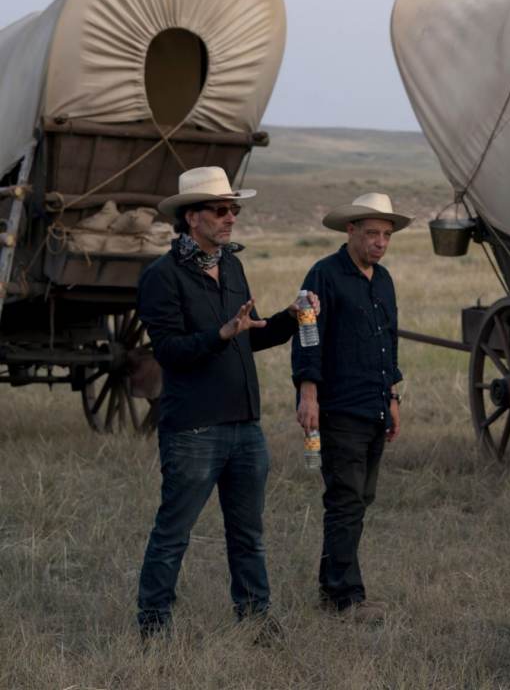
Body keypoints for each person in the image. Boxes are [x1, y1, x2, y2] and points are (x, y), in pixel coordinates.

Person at [136, 166, 318, 640]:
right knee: (173, 534)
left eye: (234, 209)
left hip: (244, 426)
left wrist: (292, 319)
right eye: (221, 210)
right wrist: (221, 333)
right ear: (191, 217)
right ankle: (154, 628)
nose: (231, 217)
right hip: (194, 427)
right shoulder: (162, 276)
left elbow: (248, 336)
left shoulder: (232, 265)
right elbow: (171, 352)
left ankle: (256, 620)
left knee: (248, 535)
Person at [292, 193, 410, 622]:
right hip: (339, 407)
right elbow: (307, 335)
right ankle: (347, 597)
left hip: (375, 404)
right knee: (344, 500)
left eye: (386, 235)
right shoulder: (323, 274)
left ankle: (332, 586)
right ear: (351, 231)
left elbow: (388, 342)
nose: (380, 243)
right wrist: (308, 394)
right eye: (372, 234)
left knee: (360, 498)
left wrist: (393, 397)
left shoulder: (384, 280)